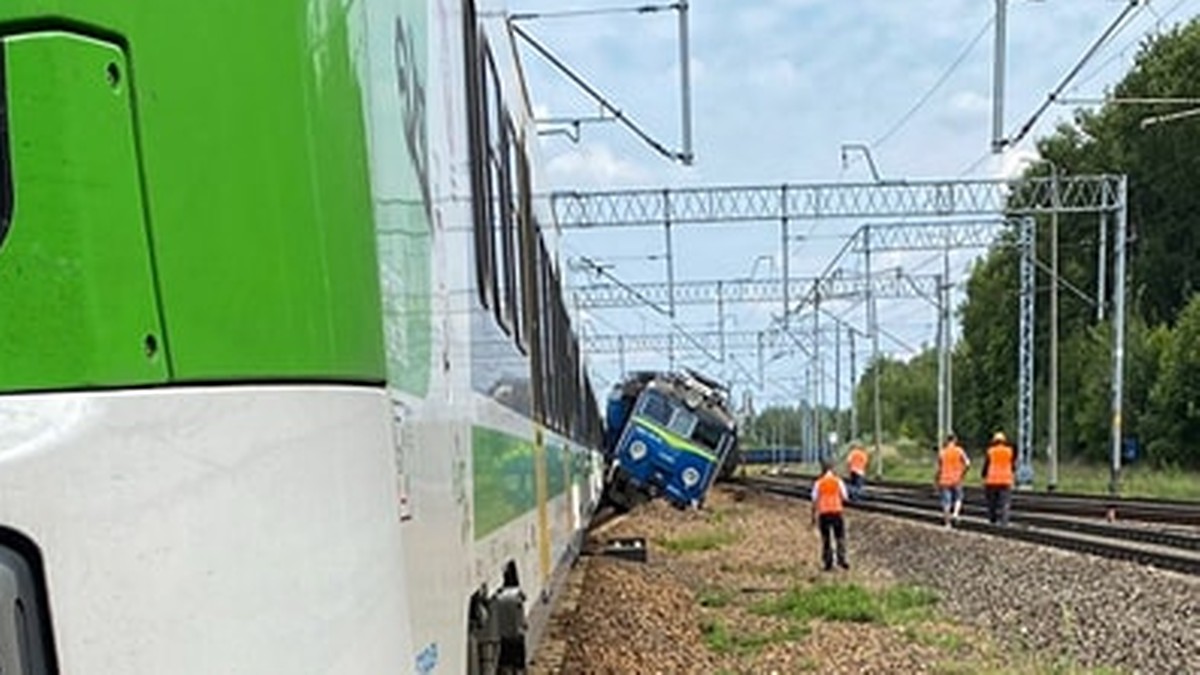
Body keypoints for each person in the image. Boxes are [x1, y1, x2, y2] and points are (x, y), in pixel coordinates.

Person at [810, 459, 850, 571]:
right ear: (832, 469)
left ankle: (828, 563)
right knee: (840, 537)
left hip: (824, 514)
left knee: (826, 538)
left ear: (822, 469)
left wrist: (813, 516)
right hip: (837, 512)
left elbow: (814, 500)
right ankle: (842, 560)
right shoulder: (838, 481)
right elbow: (845, 497)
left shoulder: (818, 483)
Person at [935, 433, 970, 527]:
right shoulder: (959, 450)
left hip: (944, 480)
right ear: (955, 440)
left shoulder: (942, 452)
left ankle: (947, 523)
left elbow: (938, 469)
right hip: (957, 479)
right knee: (959, 498)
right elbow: (967, 463)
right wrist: (963, 473)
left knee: (946, 502)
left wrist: (936, 480)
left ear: (947, 441)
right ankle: (955, 514)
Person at [981, 431, 1015, 526]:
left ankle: (993, 520)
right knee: (1005, 502)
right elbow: (1012, 466)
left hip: (992, 480)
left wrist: (983, 475)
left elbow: (986, 465)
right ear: (1004, 441)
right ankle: (1004, 521)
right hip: (1006, 480)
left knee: (992, 503)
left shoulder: (990, 451)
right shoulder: (1009, 451)